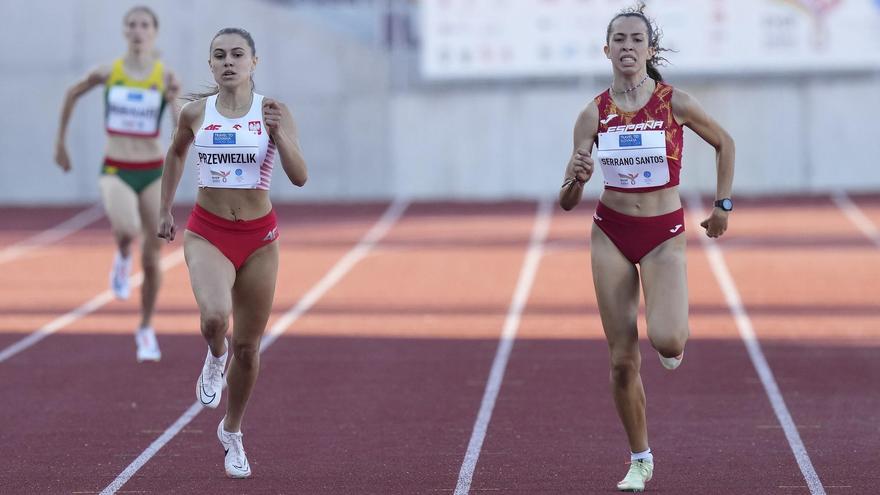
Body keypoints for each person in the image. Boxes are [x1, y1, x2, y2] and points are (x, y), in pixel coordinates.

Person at [558, 3, 735, 492]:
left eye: (637, 39)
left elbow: (725, 143)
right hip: (610, 232)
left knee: (668, 340)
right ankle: (640, 458)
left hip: (662, 235)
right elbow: (567, 201)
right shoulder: (592, 113)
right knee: (621, 359)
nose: (628, 47)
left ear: (650, 49)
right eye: (620, 40)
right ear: (607, 50)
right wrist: (575, 178)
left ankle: (671, 334)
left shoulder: (674, 102)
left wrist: (722, 205)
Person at [157, 27, 307, 479]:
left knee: (249, 347)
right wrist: (165, 208)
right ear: (210, 65)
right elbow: (176, 154)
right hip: (208, 232)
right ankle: (213, 354)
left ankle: (232, 431)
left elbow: (300, 177)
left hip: (260, 239)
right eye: (219, 55)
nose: (228, 62)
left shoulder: (273, 111)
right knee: (215, 319)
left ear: (253, 63)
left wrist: (280, 139)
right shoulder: (195, 113)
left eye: (237, 54)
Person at [55, 6, 181, 362]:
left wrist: (173, 101)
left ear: (154, 32)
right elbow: (71, 92)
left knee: (155, 258)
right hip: (116, 168)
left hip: (153, 170)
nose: (138, 31)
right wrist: (60, 143)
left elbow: (179, 128)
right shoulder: (109, 71)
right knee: (126, 228)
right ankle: (123, 256)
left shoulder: (165, 75)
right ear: (124, 31)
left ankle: (145, 328)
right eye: (132, 25)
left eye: (145, 25)